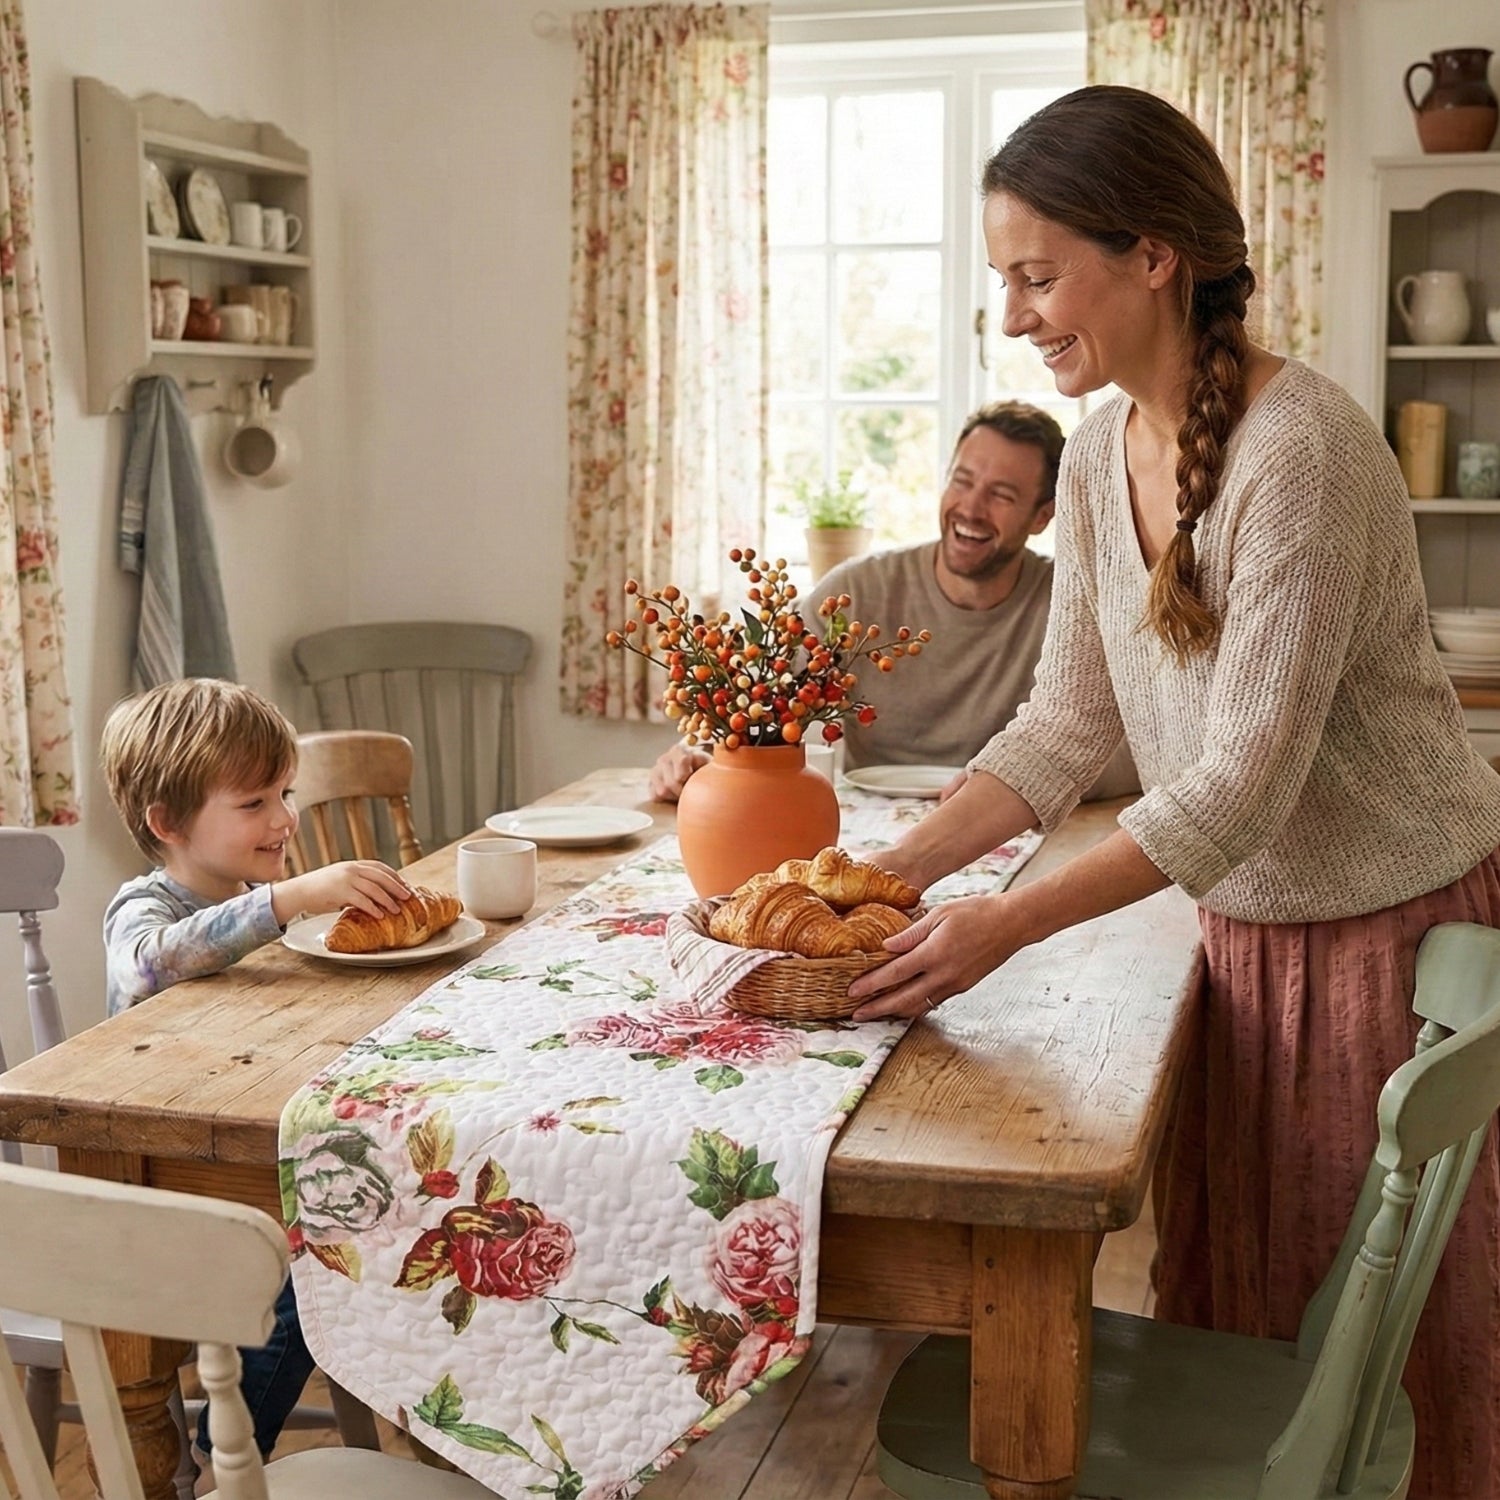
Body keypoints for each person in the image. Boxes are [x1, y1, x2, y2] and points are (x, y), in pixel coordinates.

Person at [846, 85, 1500, 1500]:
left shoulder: (1304, 453)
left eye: (1036, 273)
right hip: (1251, 939)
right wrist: (886, 877)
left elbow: (1234, 798)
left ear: (1155, 256)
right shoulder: (1091, 461)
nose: (1014, 315)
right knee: (1248, 1305)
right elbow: (1065, 723)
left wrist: (998, 925)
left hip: (1385, 942)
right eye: (1003, 280)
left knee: (1358, 1351)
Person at [100, 677, 411, 1474]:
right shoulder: (146, 909)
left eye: (285, 793)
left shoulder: (247, 897)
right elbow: (151, 966)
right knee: (331, 1257)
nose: (283, 819)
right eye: (253, 804)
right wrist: (285, 899)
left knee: (385, 1213)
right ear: (167, 823)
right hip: (156, 1188)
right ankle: (219, 1460)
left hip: (244, 1154)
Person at [649, 400, 1136, 802]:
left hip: (1010, 826)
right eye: (962, 482)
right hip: (863, 829)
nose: (970, 508)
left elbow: (1125, 751)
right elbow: (761, 700)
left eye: (1001, 495)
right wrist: (699, 754)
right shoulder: (858, 592)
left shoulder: (1072, 602)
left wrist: (1011, 783)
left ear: (1042, 516)